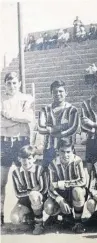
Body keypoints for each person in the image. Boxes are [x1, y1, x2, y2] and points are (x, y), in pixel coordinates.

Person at [1, 72, 34, 225]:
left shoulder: (26, 98)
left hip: (22, 142)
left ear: (19, 83)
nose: (12, 86)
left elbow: (28, 118)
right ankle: (0, 214)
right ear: (4, 84)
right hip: (5, 142)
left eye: (15, 83)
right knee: (2, 181)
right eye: (9, 83)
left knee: (27, 178)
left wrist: (9, 117)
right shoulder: (1, 100)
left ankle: (32, 212)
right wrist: (17, 118)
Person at [44, 139, 87, 233]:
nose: (65, 155)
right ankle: (59, 216)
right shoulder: (52, 164)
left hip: (73, 194)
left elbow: (83, 181)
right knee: (48, 207)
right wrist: (60, 200)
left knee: (78, 191)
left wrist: (62, 184)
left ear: (72, 151)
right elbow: (50, 187)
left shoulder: (77, 161)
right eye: (62, 151)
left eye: (68, 152)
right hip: (61, 194)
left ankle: (78, 221)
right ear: (58, 151)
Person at [38, 80, 79, 168]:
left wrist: (51, 129)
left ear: (66, 93)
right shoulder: (45, 110)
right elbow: (41, 128)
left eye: (61, 91)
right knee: (48, 176)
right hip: (49, 148)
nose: (58, 94)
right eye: (55, 92)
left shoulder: (72, 110)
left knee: (68, 175)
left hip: (67, 149)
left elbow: (73, 128)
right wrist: (63, 126)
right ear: (51, 93)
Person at [10, 145, 48, 235]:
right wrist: (32, 190)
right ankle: (30, 216)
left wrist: (32, 193)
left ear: (34, 159)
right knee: (14, 219)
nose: (26, 161)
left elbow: (44, 189)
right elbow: (18, 193)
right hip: (25, 200)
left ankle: (39, 223)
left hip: (39, 199)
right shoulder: (15, 173)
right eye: (23, 158)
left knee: (34, 195)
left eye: (29, 158)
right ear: (19, 159)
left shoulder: (40, 169)